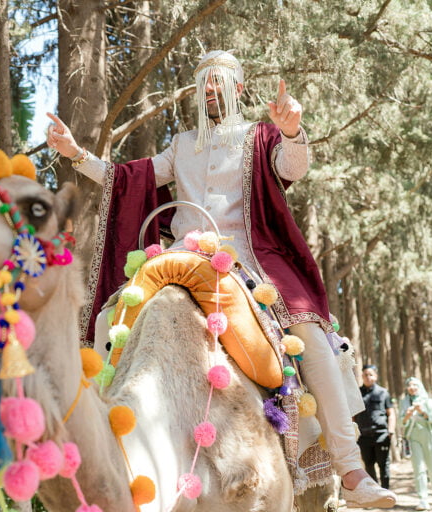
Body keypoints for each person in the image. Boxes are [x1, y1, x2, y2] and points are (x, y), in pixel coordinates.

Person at [46, 50, 396, 508]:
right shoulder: (182, 143)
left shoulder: (259, 135)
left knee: (308, 335)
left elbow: (292, 168)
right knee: (106, 319)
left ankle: (351, 470)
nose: (209, 90)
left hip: (250, 261)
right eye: (203, 83)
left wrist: (291, 129)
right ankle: (104, 446)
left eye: (219, 82)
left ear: (238, 89)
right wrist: (77, 155)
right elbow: (127, 177)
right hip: (179, 257)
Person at [400, 377, 432, 510]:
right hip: (413, 436)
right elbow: (400, 422)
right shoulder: (403, 402)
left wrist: (422, 412)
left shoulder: (427, 400)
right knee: (418, 468)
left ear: (419, 386)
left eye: (415, 385)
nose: (412, 387)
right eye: (409, 385)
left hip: (428, 435)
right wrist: (407, 415)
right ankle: (423, 500)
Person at [354, 364, 396, 489]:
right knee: (368, 465)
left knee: (384, 465)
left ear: (376, 376)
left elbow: (391, 413)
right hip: (364, 436)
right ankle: (375, 492)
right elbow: (353, 416)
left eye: (370, 374)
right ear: (362, 376)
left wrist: (391, 431)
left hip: (381, 434)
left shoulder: (383, 393)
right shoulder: (357, 393)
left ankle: (385, 491)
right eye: (365, 375)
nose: (368, 377)